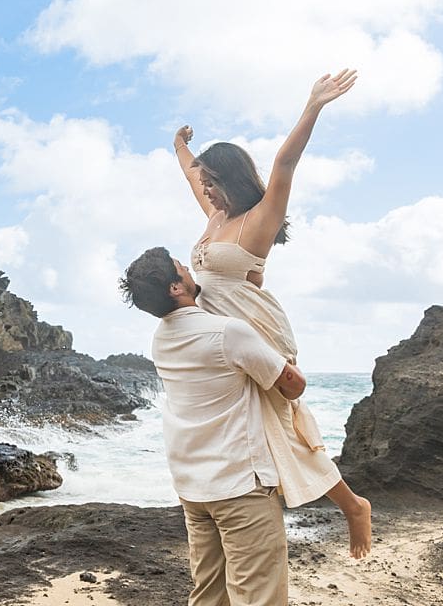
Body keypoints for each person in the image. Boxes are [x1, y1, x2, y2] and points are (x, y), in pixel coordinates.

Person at [172, 68, 371, 559]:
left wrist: (314, 104)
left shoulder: (258, 221)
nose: (207, 191)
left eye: (212, 183)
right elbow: (190, 177)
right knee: (266, 430)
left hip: (258, 331)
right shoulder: (216, 218)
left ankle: (352, 507)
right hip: (227, 336)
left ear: (231, 181)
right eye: (204, 184)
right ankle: (323, 501)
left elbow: (285, 162)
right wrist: (179, 148)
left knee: (281, 426)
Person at [119, 248, 305, 606]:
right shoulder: (227, 332)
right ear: (176, 287)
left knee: (208, 596)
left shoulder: (161, 338)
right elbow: (292, 385)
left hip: (192, 486)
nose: (189, 268)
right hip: (239, 485)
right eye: (181, 267)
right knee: (259, 598)